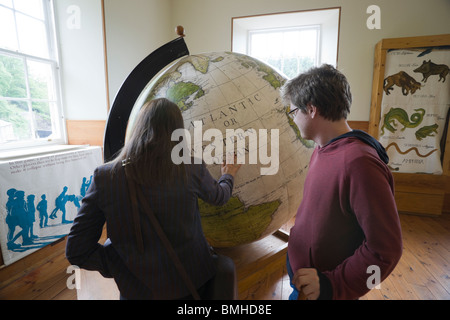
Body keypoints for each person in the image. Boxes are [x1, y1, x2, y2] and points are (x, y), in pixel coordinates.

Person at [65, 98, 241, 300]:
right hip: (191, 282)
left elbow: (77, 251)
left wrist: (121, 264)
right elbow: (219, 197)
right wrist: (229, 174)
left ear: (137, 128)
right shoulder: (191, 168)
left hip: (137, 290)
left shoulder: (105, 177)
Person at [281, 64, 403, 300]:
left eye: (293, 111)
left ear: (311, 109)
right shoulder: (322, 147)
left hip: (325, 288)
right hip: (304, 280)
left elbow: (385, 250)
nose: (293, 119)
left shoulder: (359, 163)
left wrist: (331, 285)